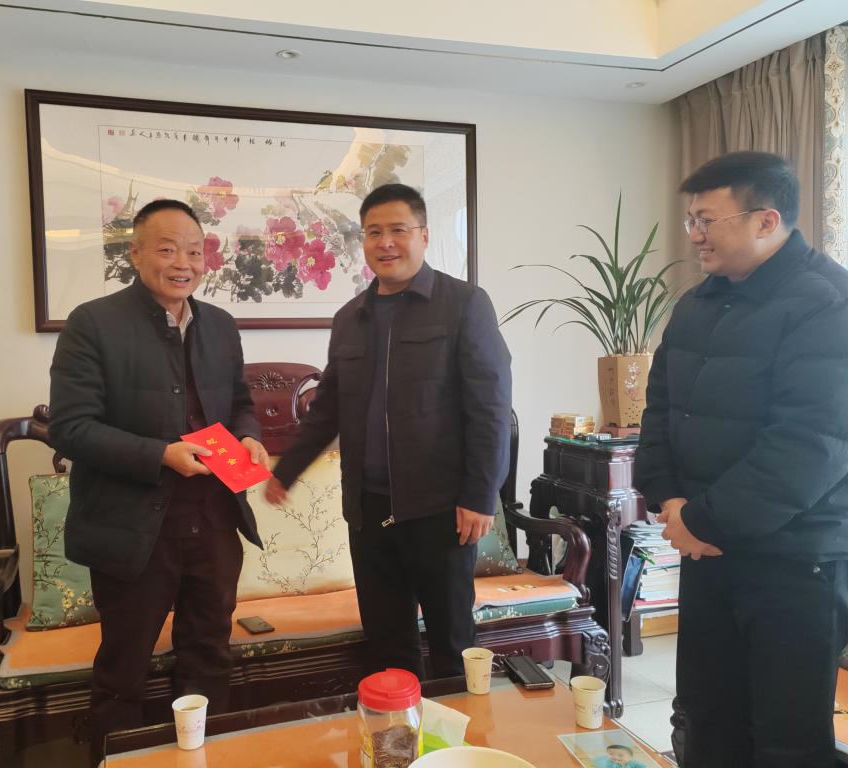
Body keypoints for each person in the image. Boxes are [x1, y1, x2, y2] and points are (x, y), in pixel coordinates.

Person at [634, 151, 848, 768]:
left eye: (708, 220)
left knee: (786, 738)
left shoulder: (831, 304)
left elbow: (811, 444)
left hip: (798, 561)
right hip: (710, 551)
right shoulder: (697, 304)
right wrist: (670, 499)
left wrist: (702, 521)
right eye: (692, 220)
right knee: (707, 718)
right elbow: (660, 411)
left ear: (766, 221)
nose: (695, 235)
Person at [264, 183, 512, 679]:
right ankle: (397, 728)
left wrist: (481, 495)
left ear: (424, 235)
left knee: (452, 645)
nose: (386, 243)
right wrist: (285, 471)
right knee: (386, 646)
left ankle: (459, 731)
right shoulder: (349, 319)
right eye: (373, 232)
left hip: (440, 510)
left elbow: (490, 407)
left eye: (398, 230)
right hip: (368, 510)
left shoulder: (463, 304)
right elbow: (328, 408)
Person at [49, 199, 267, 761]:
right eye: (167, 249)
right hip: (132, 529)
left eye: (194, 251)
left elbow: (240, 404)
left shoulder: (219, 325)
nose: (183, 263)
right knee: (124, 668)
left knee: (209, 657)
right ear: (136, 253)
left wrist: (248, 436)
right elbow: (70, 428)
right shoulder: (92, 323)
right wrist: (161, 455)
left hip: (213, 521)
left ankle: (200, 758)